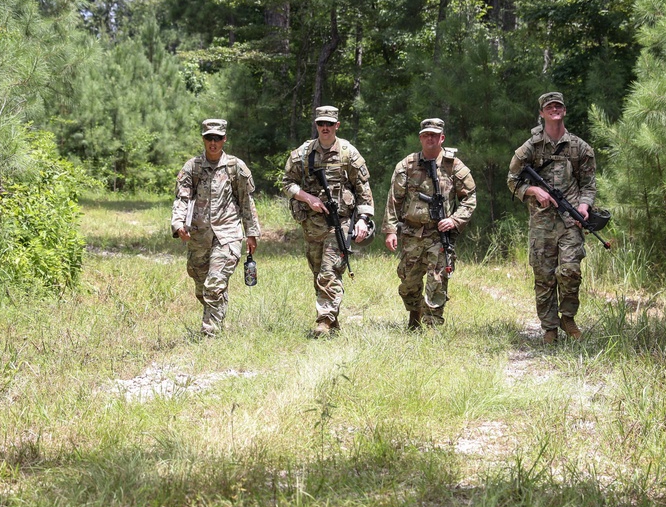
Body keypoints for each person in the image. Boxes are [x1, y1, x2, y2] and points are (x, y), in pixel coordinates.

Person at [507, 92, 596, 344]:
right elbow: (512, 180)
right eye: (549, 107)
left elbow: (589, 185)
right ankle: (550, 328)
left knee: (570, 271)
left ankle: (568, 318)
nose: (554, 110)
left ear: (564, 111)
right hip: (542, 223)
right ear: (542, 113)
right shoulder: (530, 148)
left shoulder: (580, 148)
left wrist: (584, 206)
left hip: (570, 221)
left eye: (558, 106)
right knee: (544, 276)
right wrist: (532, 190)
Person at [280, 105, 374, 337]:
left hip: (340, 223)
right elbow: (286, 183)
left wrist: (363, 219)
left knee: (329, 271)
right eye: (321, 123)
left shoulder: (348, 154)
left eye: (329, 124)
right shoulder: (302, 153)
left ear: (337, 126)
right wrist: (307, 197)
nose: (325, 127)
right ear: (316, 125)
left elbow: (364, 189)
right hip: (312, 223)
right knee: (317, 272)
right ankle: (333, 323)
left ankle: (323, 321)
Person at [382, 118, 477, 329]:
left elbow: (469, 198)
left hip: (439, 235)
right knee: (408, 282)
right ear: (420, 138)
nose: (430, 139)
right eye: (426, 135)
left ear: (442, 138)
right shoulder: (406, 166)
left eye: (434, 135)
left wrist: (454, 220)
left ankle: (433, 324)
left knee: (438, 280)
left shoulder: (454, 166)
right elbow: (394, 200)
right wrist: (390, 230)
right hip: (411, 233)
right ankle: (414, 315)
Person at [171, 118, 261, 336]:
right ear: (203, 139)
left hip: (227, 235)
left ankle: (210, 335)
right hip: (199, 236)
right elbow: (182, 198)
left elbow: (246, 202)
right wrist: (178, 223)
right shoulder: (192, 167)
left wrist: (251, 233)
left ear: (224, 139)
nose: (213, 142)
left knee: (214, 284)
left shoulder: (235, 167)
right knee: (203, 288)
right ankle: (218, 318)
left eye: (218, 138)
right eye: (209, 138)